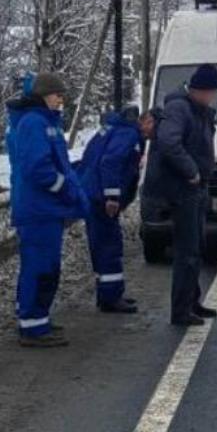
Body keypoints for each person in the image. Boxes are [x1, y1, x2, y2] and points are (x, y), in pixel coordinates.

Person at [6, 72, 89, 348]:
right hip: (38, 210)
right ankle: (33, 326)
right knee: (41, 267)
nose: (60, 100)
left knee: (43, 265)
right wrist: (64, 187)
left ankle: (36, 319)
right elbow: (38, 168)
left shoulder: (43, 121)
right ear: (44, 95)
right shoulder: (34, 123)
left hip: (43, 209)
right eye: (57, 95)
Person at [145, 64, 217, 326]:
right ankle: (181, 310)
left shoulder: (198, 110)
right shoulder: (180, 108)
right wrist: (191, 171)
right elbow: (168, 142)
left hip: (196, 187)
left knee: (196, 247)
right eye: (212, 92)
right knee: (187, 250)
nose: (213, 98)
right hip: (183, 189)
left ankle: (192, 301)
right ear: (201, 90)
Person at [78, 105, 155, 313]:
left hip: (93, 193)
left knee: (105, 243)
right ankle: (110, 297)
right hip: (100, 198)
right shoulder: (128, 134)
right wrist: (112, 196)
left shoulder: (117, 129)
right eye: (154, 127)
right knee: (109, 245)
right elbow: (110, 162)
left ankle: (109, 293)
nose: (153, 134)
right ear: (146, 120)